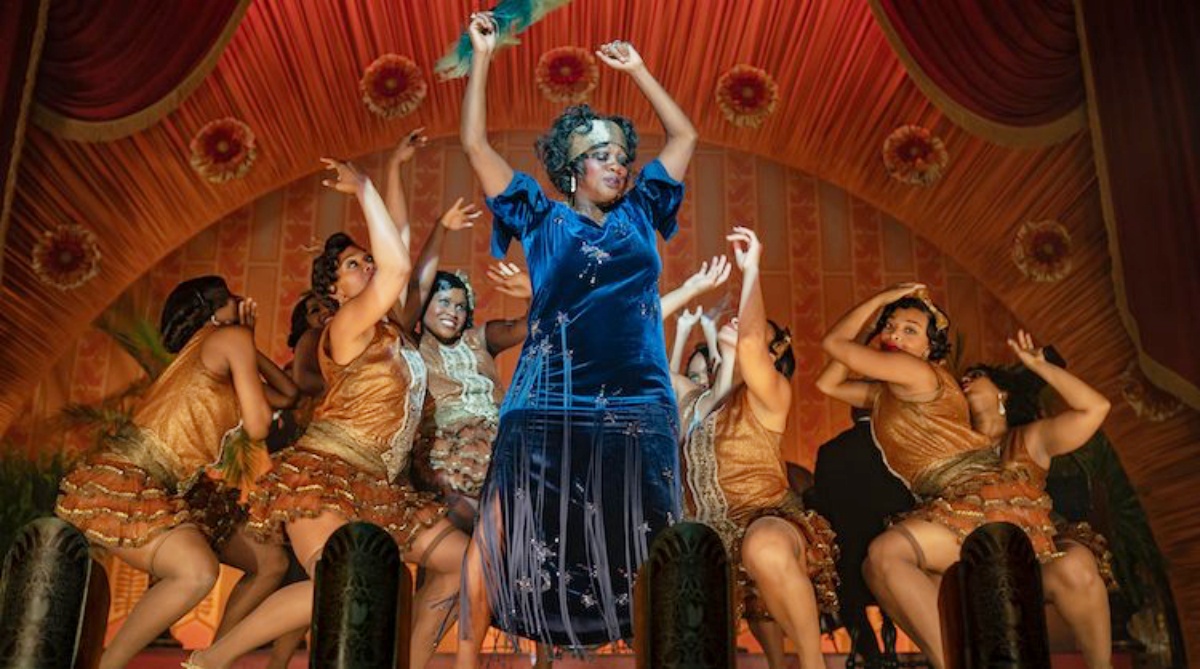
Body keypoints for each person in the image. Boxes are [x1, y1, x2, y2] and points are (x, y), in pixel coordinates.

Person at [455, 10, 699, 658]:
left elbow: (685, 134)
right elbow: (475, 146)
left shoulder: (644, 207)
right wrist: (482, 58)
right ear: (570, 168)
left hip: (637, 405)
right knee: (510, 539)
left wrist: (639, 70)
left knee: (644, 548)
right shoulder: (539, 216)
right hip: (548, 402)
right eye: (600, 155)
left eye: (621, 155)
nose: (617, 165)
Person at [187, 145, 468, 669]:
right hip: (326, 472)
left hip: (382, 485)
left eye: (366, 259)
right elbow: (396, 263)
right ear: (335, 291)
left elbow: (402, 251)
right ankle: (210, 660)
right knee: (335, 582)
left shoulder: (393, 327)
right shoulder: (347, 324)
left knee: (466, 563)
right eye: (352, 265)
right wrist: (364, 187)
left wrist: (393, 171)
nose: (367, 265)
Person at [818, 285, 1110, 669]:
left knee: (887, 555)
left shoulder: (920, 373)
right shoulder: (893, 394)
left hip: (987, 514)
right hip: (950, 508)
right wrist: (877, 327)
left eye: (910, 330)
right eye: (890, 327)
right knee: (886, 565)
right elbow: (828, 383)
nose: (895, 335)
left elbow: (835, 345)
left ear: (930, 349)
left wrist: (880, 303)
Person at [55, 276, 297, 669]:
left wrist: (248, 346)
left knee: (268, 562)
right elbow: (258, 427)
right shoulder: (227, 339)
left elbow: (288, 395)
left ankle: (208, 661)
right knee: (197, 572)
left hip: (168, 486)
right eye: (233, 297)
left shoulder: (218, 346)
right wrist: (242, 340)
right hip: (132, 477)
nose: (242, 300)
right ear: (218, 308)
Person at [676, 228, 838, 669]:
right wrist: (686, 296)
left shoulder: (771, 394)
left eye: (753, 326)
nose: (738, 321)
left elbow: (749, 344)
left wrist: (751, 271)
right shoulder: (692, 397)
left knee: (763, 545)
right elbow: (641, 349)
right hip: (708, 533)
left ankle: (813, 664)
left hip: (769, 520)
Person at [961, 335, 1115, 668]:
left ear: (1003, 393)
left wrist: (1039, 367)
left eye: (976, 376)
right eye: (963, 378)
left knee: (1076, 564)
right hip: (970, 559)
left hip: (1032, 557)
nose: (965, 381)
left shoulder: (1029, 438)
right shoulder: (951, 449)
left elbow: (1096, 408)